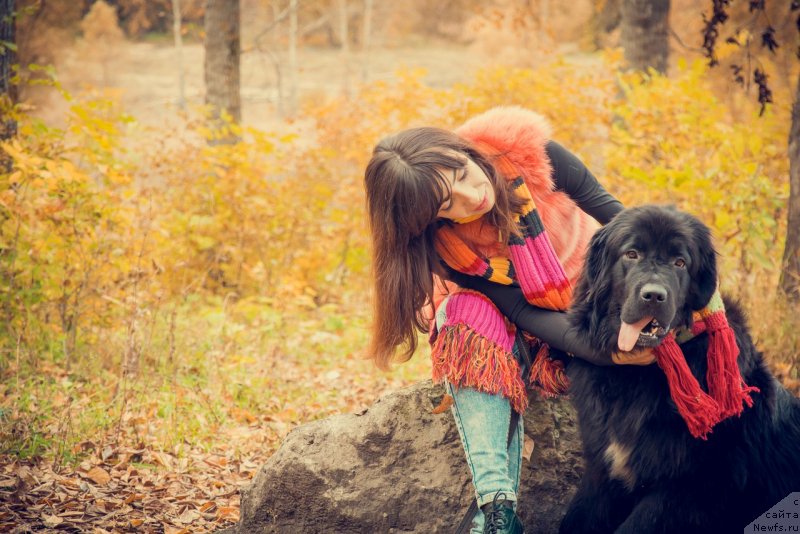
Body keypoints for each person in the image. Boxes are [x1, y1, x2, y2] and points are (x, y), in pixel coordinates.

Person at [363, 106, 653, 534]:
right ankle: (498, 513)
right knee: (462, 315)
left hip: (595, 297)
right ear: (431, 218)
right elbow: (521, 310)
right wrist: (606, 354)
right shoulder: (449, 247)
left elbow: (623, 220)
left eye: (461, 173)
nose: (472, 195)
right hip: (522, 327)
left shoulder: (528, 153)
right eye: (448, 203)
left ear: (462, 150)